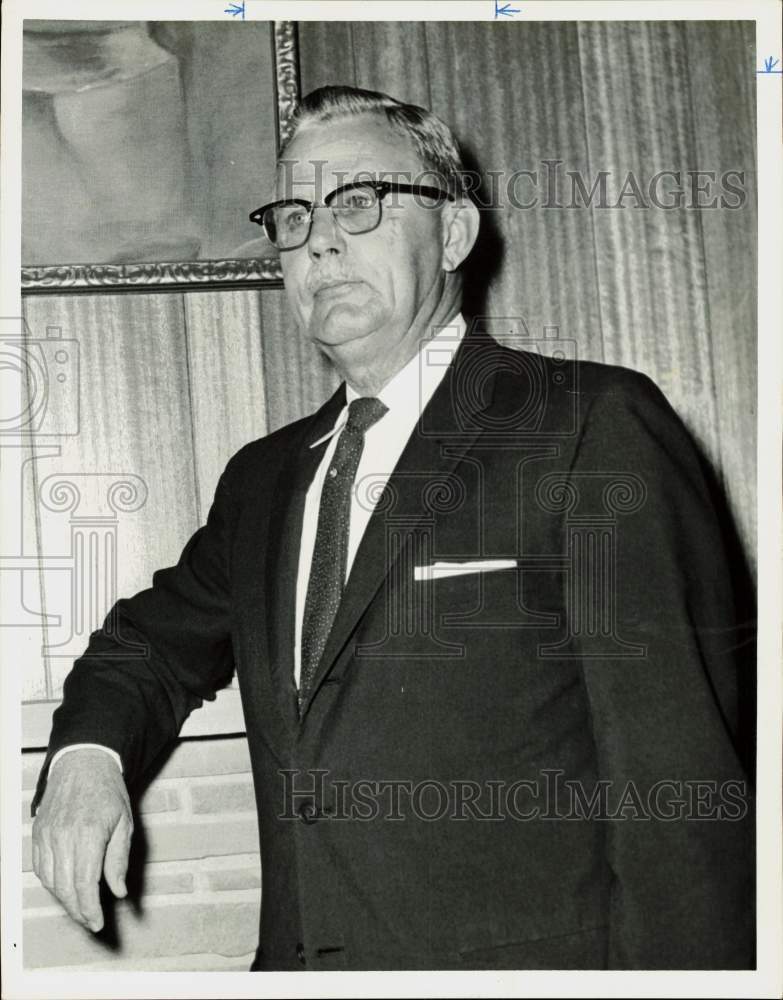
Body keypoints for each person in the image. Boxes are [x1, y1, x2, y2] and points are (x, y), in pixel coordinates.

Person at [31, 85, 754, 971]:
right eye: (293, 215)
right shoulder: (263, 479)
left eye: (358, 202)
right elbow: (149, 641)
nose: (320, 239)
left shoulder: (585, 424)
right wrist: (86, 758)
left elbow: (679, 797)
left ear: (453, 233)